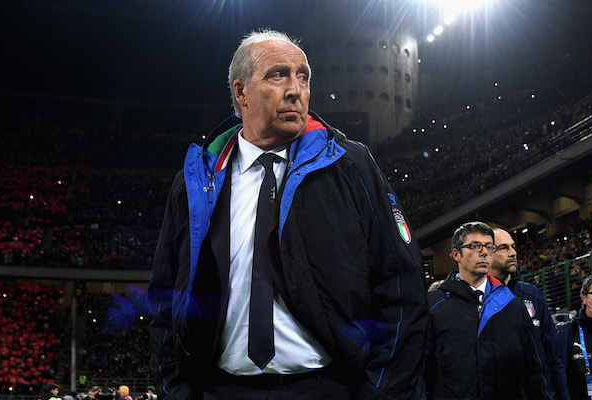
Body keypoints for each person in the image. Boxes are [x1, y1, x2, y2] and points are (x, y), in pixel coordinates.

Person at [149, 28, 426, 400]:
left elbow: (402, 287)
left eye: (303, 76)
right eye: (278, 75)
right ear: (241, 92)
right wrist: (177, 392)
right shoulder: (196, 182)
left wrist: (381, 392)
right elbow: (166, 298)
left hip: (329, 388)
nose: (296, 89)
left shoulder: (350, 165)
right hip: (220, 390)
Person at [425, 221, 553, 399]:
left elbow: (535, 368)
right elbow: (420, 370)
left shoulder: (513, 305)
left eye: (489, 247)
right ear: (456, 254)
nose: (484, 252)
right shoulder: (434, 304)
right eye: (475, 246)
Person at [490, 228, 565, 398]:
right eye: (503, 248)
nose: (513, 253)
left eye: (513, 247)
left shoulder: (532, 294)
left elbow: (552, 354)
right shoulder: (478, 298)